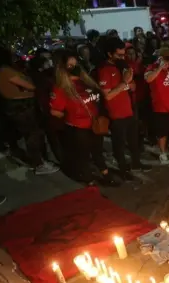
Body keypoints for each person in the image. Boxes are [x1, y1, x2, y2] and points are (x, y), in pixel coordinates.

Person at [49, 51, 118, 186]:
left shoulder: (86, 81)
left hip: (95, 124)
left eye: (76, 64)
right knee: (83, 155)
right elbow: (54, 111)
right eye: (70, 65)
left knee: (98, 151)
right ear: (62, 68)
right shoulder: (60, 88)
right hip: (79, 127)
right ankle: (88, 179)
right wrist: (72, 116)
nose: (74, 67)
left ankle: (105, 173)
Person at [0, 47, 58, 175]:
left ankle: (39, 161)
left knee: (32, 134)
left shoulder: (3, 70)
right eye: (11, 55)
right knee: (32, 135)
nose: (15, 56)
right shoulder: (6, 71)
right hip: (20, 106)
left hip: (19, 105)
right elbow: (30, 85)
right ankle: (39, 164)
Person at [97, 38, 151, 179]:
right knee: (119, 144)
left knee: (134, 141)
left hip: (129, 109)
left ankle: (136, 163)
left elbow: (132, 86)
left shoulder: (122, 66)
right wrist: (124, 83)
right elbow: (107, 96)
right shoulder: (104, 70)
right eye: (119, 55)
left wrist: (128, 83)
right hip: (116, 114)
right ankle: (122, 169)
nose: (122, 58)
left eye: (123, 54)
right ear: (109, 54)